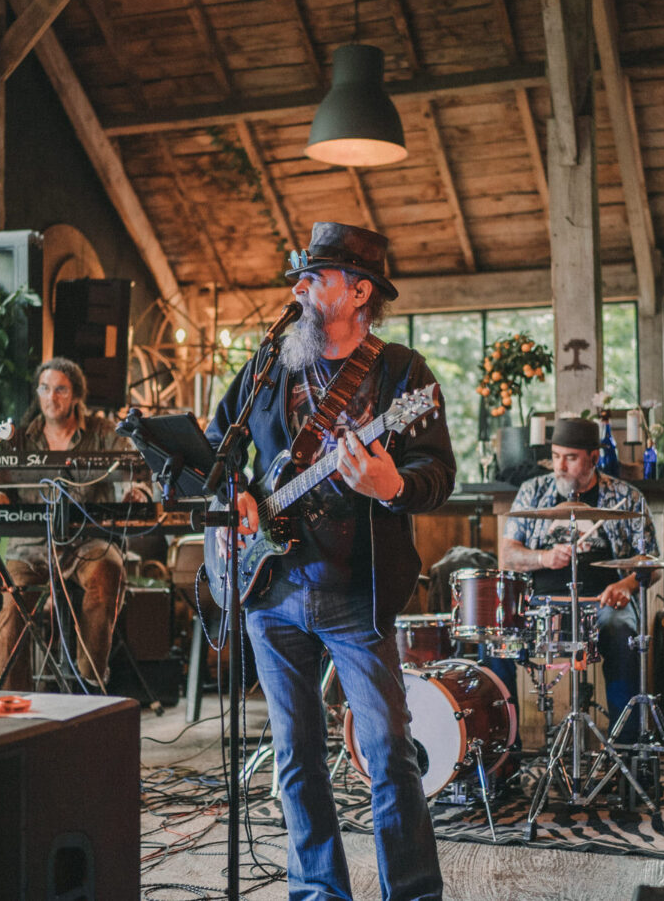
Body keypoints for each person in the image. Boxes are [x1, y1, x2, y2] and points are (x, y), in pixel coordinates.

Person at [209, 221, 454, 901]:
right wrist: (235, 497)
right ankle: (318, 893)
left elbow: (438, 473)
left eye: (314, 277)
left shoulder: (403, 374)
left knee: (389, 753)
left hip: (356, 593)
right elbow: (217, 448)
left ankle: (413, 893)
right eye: (299, 277)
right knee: (296, 758)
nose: (299, 288)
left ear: (359, 291)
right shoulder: (271, 363)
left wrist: (391, 484)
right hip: (270, 587)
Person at [0, 356, 141, 690]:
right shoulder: (20, 438)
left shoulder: (101, 431)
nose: (51, 397)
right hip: (31, 545)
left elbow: (135, 468)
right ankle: (5, 699)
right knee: (13, 608)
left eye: (60, 390)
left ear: (76, 395)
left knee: (108, 572)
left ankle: (89, 681)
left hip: (90, 541)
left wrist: (138, 490)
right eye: (44, 389)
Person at [500, 417, 658, 742]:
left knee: (622, 632)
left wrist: (626, 585)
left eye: (570, 458)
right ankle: (505, 752)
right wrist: (543, 558)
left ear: (593, 458)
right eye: (556, 456)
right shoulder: (533, 491)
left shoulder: (625, 497)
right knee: (496, 637)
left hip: (603, 602)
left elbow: (651, 562)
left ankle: (625, 749)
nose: (560, 466)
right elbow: (508, 555)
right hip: (541, 605)